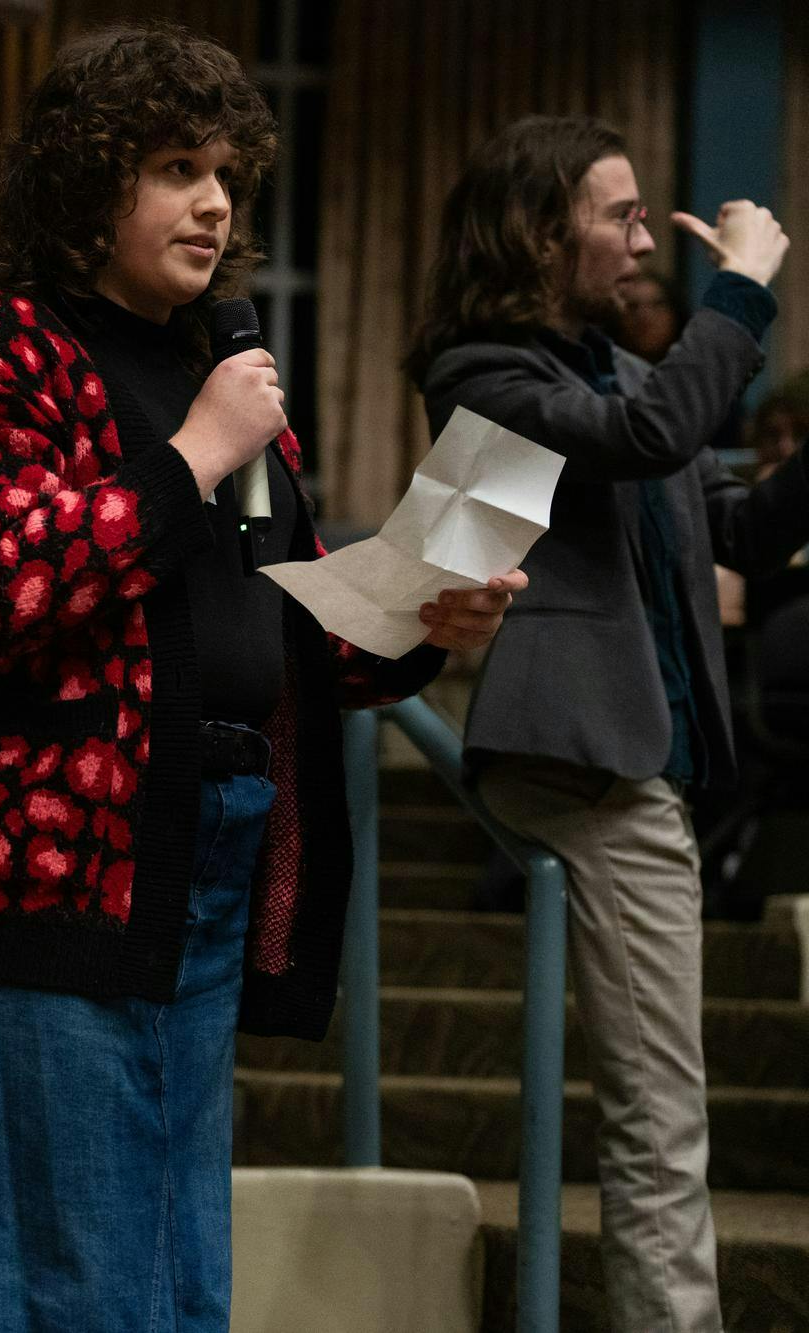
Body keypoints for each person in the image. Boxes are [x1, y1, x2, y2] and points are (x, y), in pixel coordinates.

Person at [0, 22, 523, 1330]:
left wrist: (427, 616)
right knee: (49, 1285)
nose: (214, 203)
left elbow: (281, 611)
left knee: (164, 1280)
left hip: (193, 869)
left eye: (226, 173)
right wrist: (194, 452)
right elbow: (2, 589)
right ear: (83, 181)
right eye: (174, 168)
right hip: (31, 889)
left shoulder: (220, 375)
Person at [408, 114, 808, 1333]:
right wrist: (738, 285)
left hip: (646, 761)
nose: (644, 238)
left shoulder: (629, 376)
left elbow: (738, 532)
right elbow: (648, 444)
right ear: (542, 230)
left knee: (659, 1111)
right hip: (581, 761)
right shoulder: (483, 373)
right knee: (659, 1116)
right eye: (620, 214)